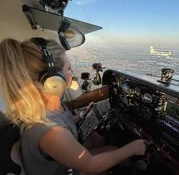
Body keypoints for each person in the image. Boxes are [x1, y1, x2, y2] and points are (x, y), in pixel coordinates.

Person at [0, 38, 146, 175]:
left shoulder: (50, 106)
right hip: (62, 171)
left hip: (60, 161)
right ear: (52, 80)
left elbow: (62, 120)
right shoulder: (52, 133)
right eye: (68, 68)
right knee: (118, 153)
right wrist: (132, 149)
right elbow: (92, 165)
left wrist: (82, 116)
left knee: (98, 140)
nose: (71, 73)